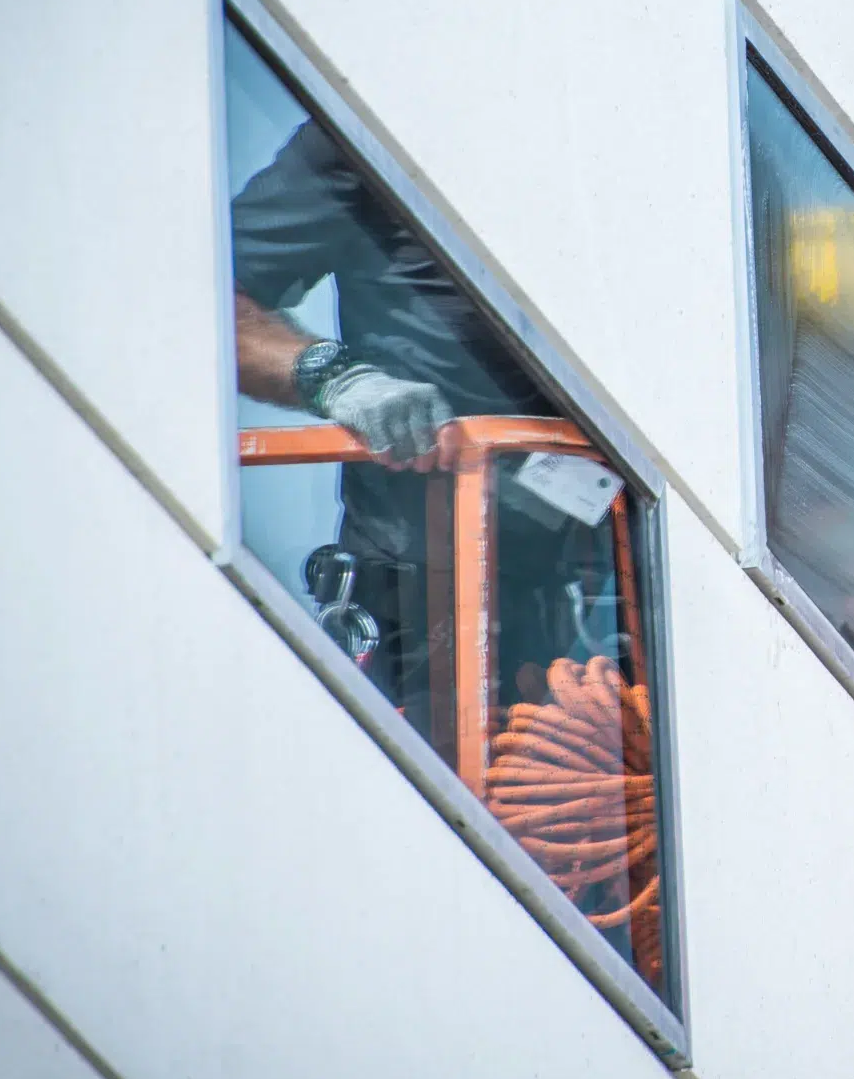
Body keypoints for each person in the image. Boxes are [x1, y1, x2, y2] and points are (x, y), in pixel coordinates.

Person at [231, 117, 611, 718]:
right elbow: (210, 296)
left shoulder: (625, 144)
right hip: (423, 599)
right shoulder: (372, 128)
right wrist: (334, 379)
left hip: (617, 593)